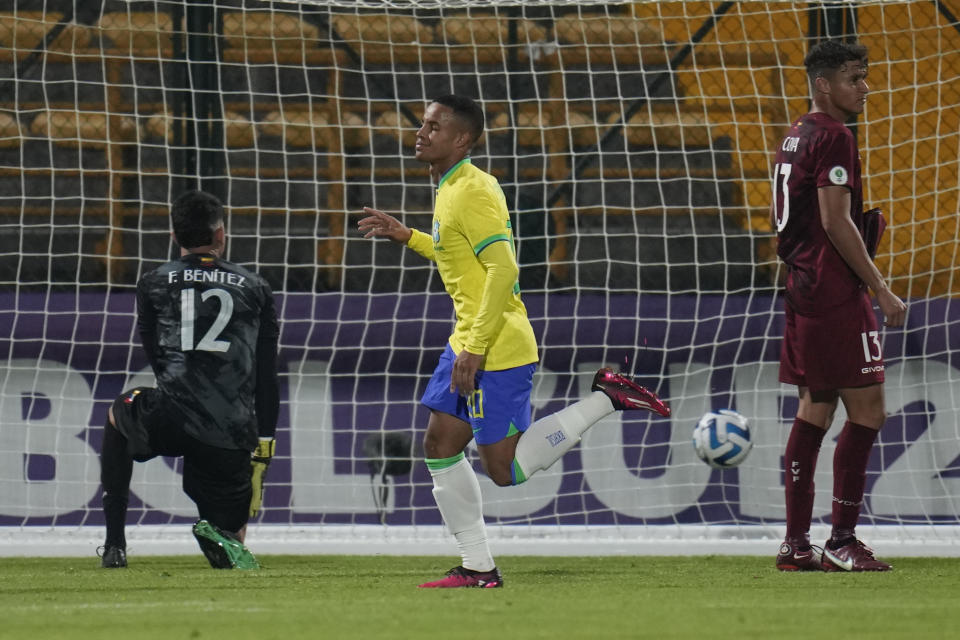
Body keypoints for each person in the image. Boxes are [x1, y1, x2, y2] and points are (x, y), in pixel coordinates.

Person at [358, 94, 671, 588]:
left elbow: (503, 269)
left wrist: (478, 348)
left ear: (461, 139)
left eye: (434, 126)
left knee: (504, 471)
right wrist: (410, 237)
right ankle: (478, 567)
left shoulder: (473, 190)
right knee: (440, 446)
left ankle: (606, 398)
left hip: (495, 344)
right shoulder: (450, 187)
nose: (421, 133)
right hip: (467, 335)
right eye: (423, 124)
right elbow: (458, 256)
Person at [771, 40, 907, 572]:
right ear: (824, 84)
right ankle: (842, 540)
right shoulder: (833, 136)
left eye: (865, 76)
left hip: (802, 285)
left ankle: (796, 543)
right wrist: (879, 287)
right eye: (854, 78)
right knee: (868, 410)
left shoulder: (796, 133)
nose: (865, 87)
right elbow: (835, 220)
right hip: (832, 290)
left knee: (816, 409)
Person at [98, 189, 280, 570]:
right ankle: (221, 533)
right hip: (230, 429)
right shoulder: (255, 287)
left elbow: (155, 351)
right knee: (232, 540)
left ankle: (114, 545)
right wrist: (264, 439)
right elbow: (266, 374)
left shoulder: (153, 282)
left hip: (170, 414)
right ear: (220, 235)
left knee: (119, 414)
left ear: (173, 235)